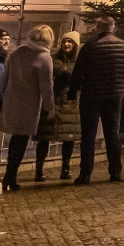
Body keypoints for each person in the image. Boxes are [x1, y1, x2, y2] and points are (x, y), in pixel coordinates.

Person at [69, 16, 124, 186]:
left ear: (98, 27)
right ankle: (115, 172)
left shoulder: (90, 46)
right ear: (113, 27)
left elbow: (78, 71)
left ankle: (85, 174)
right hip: (114, 95)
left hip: (91, 95)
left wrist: (72, 93)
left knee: (89, 136)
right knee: (113, 134)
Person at [0, 26, 55, 192]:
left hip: (11, 100)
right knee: (21, 140)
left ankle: (10, 174)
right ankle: (10, 175)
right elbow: (46, 87)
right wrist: (49, 107)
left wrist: (4, 96)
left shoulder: (18, 52)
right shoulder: (44, 58)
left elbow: (5, 77)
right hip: (29, 104)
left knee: (15, 139)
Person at [34, 30, 82, 182]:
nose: (67, 44)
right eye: (64, 41)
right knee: (45, 137)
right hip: (53, 102)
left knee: (68, 138)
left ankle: (65, 168)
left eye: (70, 42)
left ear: (75, 45)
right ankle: (39, 169)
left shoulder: (79, 62)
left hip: (70, 103)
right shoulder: (52, 59)